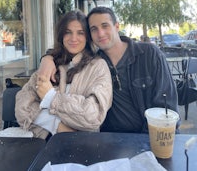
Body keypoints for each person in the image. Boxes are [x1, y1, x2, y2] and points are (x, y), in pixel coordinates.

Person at [38, 7, 180, 133]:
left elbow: (167, 107)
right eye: (94, 29)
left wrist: (145, 142)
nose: (100, 33)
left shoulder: (149, 54)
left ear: (117, 26)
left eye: (105, 26)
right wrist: (47, 58)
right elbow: (67, 53)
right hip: (110, 139)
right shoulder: (93, 62)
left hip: (151, 137)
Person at [15, 10, 112, 139]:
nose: (73, 38)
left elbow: (93, 116)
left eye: (80, 33)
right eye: (68, 32)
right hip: (42, 143)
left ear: (87, 37)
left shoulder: (98, 66)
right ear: (61, 35)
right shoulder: (50, 64)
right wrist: (56, 125)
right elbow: (22, 106)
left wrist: (50, 98)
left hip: (83, 146)